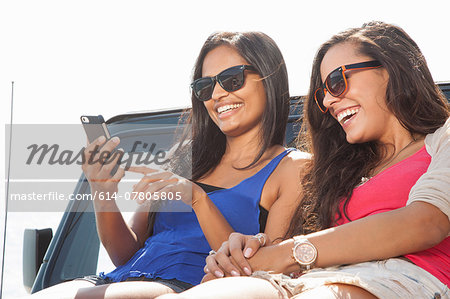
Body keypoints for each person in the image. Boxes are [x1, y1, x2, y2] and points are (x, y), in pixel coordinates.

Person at [157, 21, 450, 299]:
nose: (326, 102)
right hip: (309, 281)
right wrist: (250, 251)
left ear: (389, 70)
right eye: (323, 92)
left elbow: (425, 222)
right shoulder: (341, 176)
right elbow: (287, 254)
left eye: (337, 81)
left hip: (403, 278)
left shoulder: (443, 140)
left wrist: (287, 253)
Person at [25, 31, 308, 299]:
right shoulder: (184, 156)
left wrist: (198, 199)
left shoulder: (292, 168)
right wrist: (103, 192)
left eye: (232, 79)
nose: (218, 94)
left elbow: (261, 271)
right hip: (120, 278)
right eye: (205, 86)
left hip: (186, 287)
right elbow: (126, 253)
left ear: (269, 78)